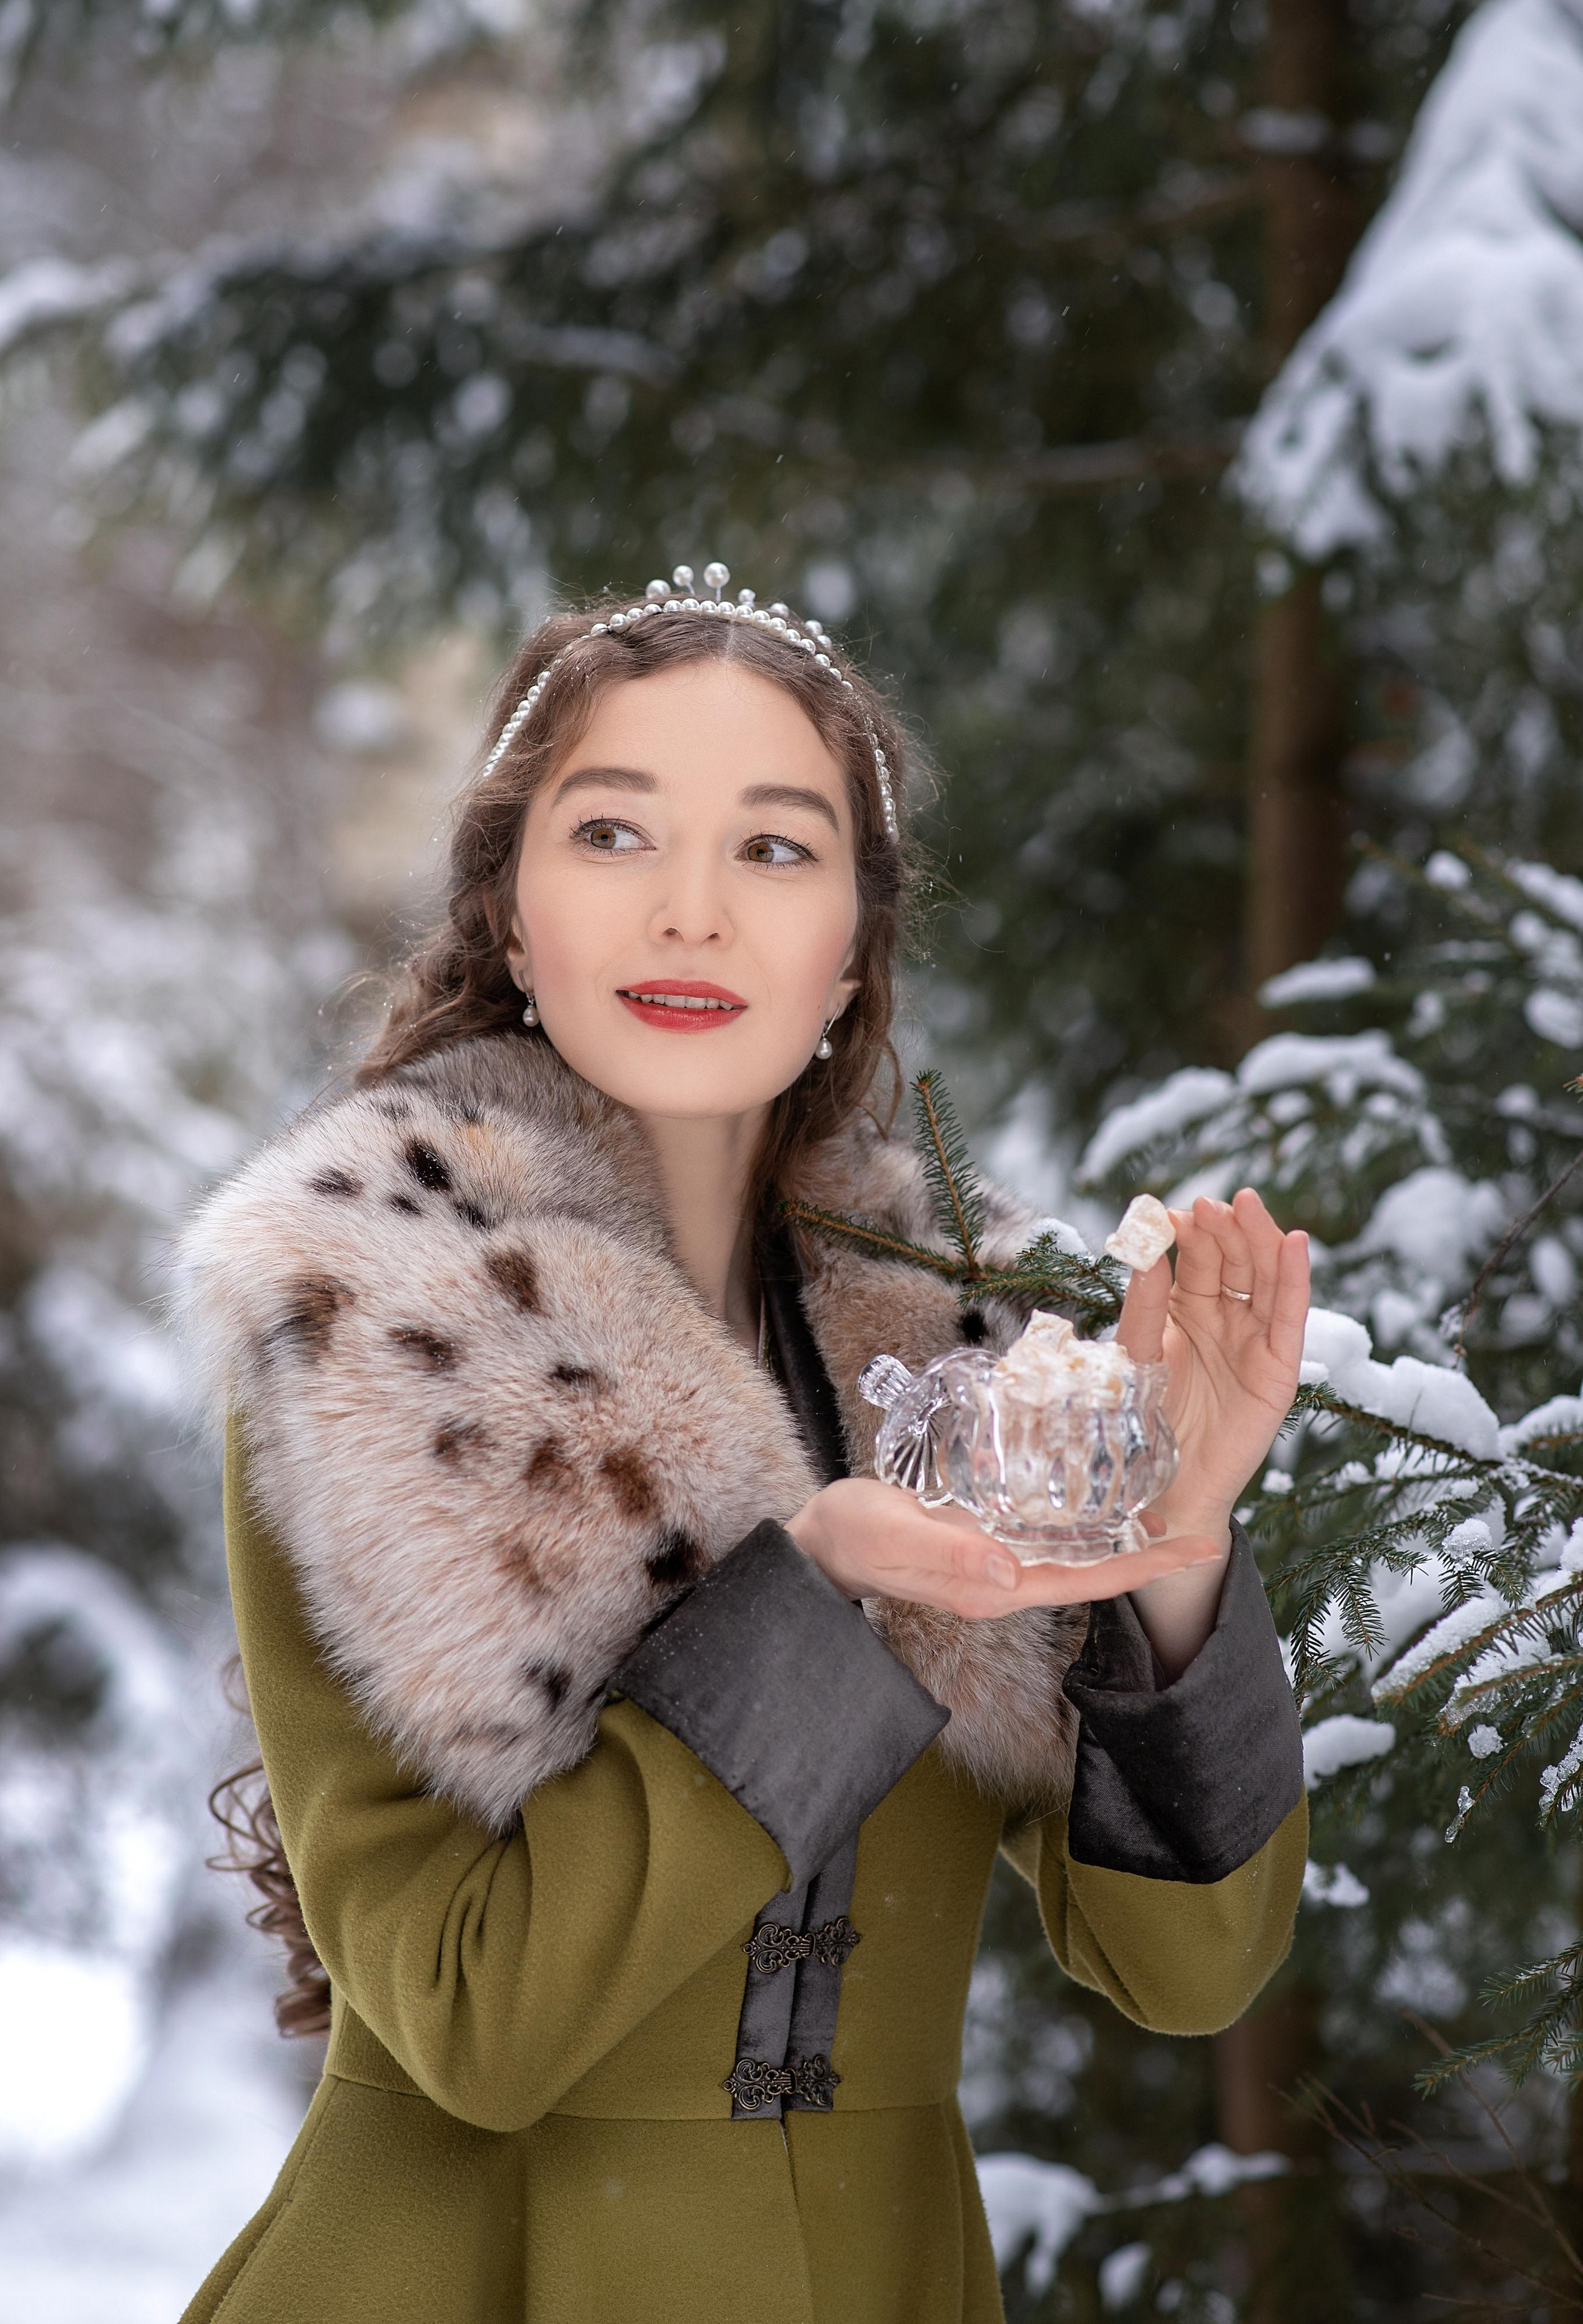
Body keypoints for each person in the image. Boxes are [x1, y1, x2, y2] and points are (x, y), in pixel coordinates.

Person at [175, 564, 1310, 2324]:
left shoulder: (976, 1353)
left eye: (775, 848)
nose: (691, 912)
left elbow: (1193, 1967)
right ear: (511, 911)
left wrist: (1180, 1536)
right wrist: (815, 1600)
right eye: (616, 834)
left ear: (854, 940)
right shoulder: (367, 1321)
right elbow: (474, 2022)